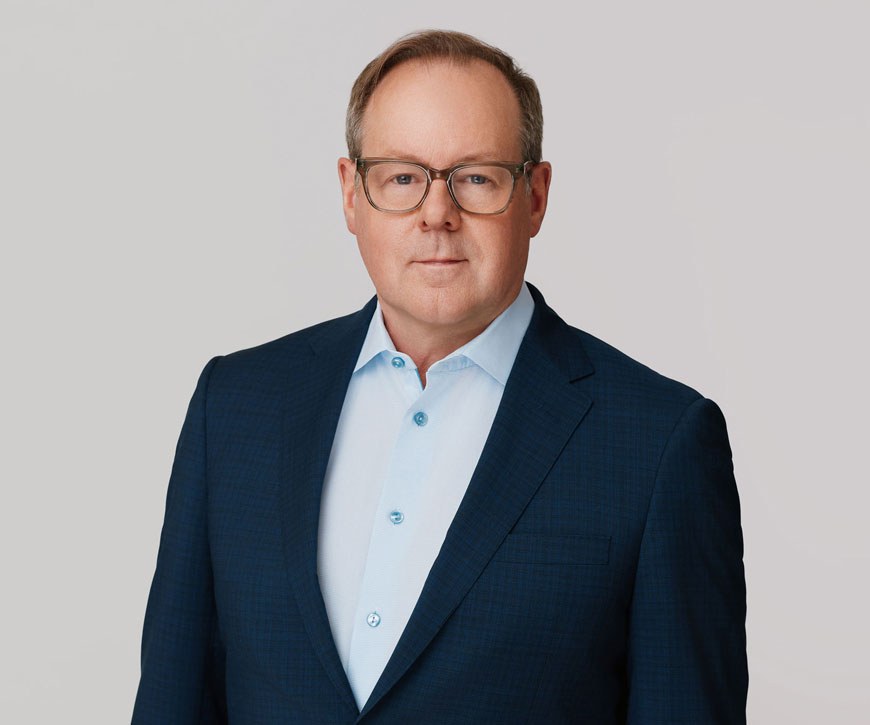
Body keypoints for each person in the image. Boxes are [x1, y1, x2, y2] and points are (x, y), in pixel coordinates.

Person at [132, 29, 747, 724]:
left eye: (476, 178)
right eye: (402, 178)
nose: (437, 214)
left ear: (535, 196)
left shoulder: (657, 444)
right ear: (351, 194)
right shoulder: (235, 409)